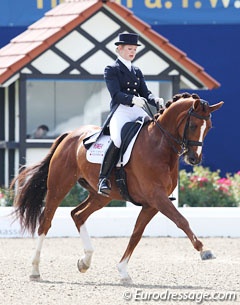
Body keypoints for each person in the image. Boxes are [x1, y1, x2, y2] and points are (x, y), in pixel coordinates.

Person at [98, 32, 164, 196]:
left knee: (155, 134)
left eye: (134, 49)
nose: (132, 52)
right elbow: (116, 94)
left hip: (137, 109)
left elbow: (145, 92)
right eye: (129, 48)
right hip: (121, 110)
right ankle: (103, 178)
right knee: (118, 140)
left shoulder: (136, 70)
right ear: (119, 49)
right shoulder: (111, 69)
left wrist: (155, 99)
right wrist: (133, 99)